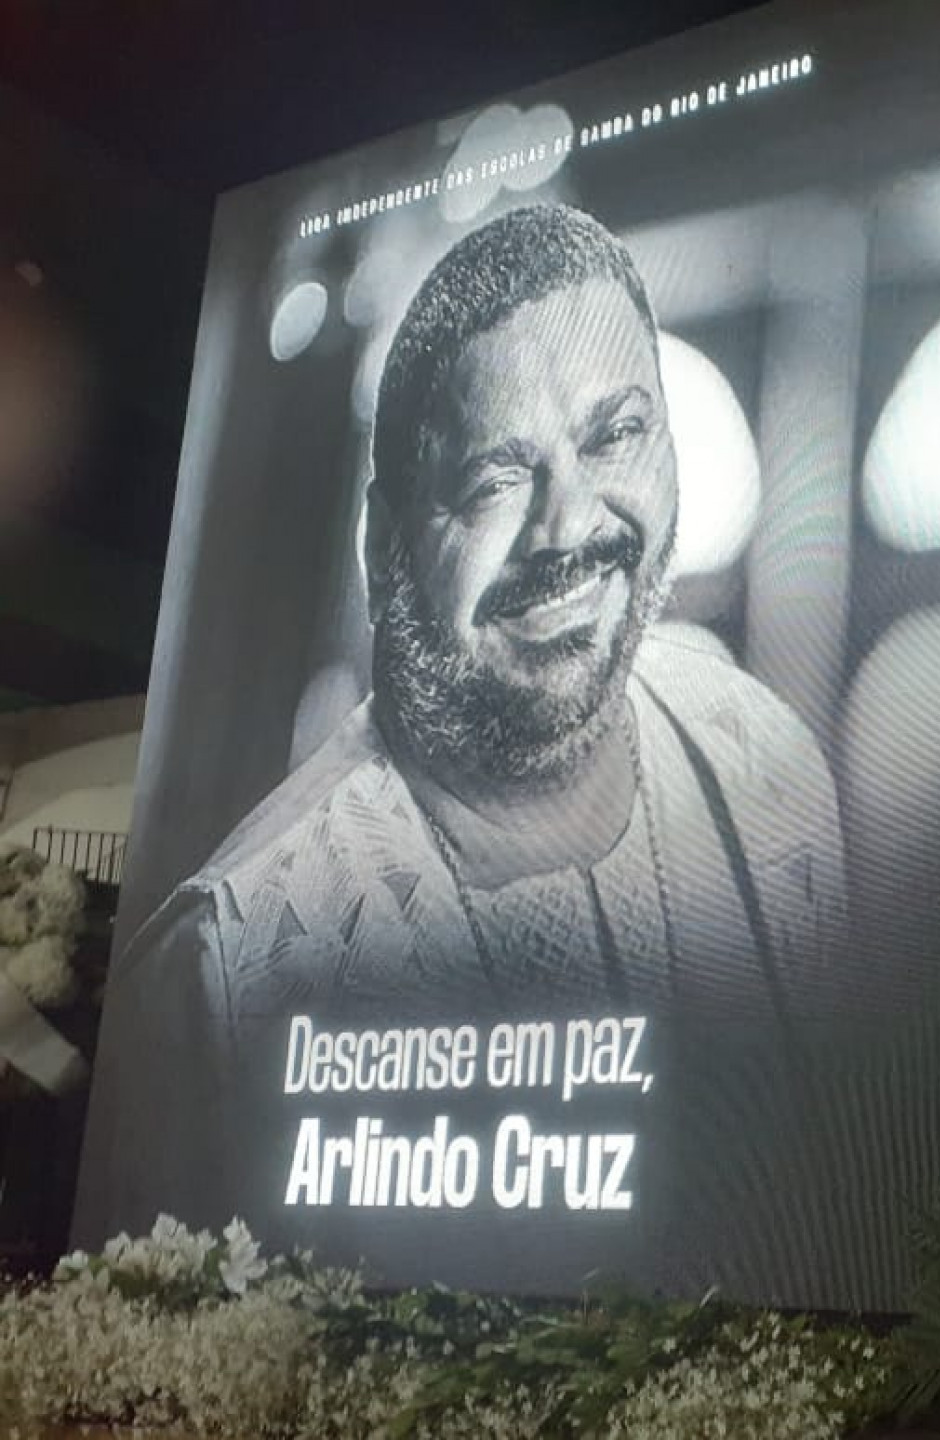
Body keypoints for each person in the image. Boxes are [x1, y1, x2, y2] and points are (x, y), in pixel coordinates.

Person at [79, 207, 850, 1284]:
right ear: (383, 543)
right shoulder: (223, 967)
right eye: (493, 480)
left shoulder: (765, 759)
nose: (567, 528)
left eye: (615, 436)